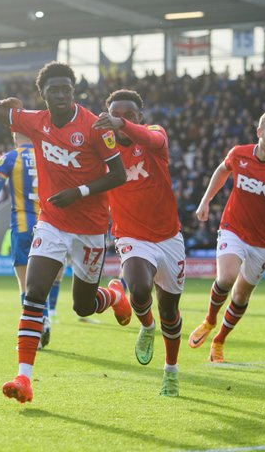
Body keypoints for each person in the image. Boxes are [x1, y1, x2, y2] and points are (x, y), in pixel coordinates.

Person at [0, 54, 130, 404]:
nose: (61, 95)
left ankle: (115, 295)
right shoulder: (35, 121)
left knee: (83, 305)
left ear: (73, 91)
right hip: (51, 222)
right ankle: (24, 378)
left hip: (90, 228)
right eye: (54, 90)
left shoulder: (96, 127)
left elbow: (118, 175)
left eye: (67, 89)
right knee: (33, 294)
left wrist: (77, 192)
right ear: (43, 93)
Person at [188, 110, 265, 362]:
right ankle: (209, 320)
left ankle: (219, 341)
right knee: (226, 277)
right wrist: (205, 200)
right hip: (233, 228)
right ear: (259, 132)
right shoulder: (239, 153)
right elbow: (221, 170)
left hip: (262, 241)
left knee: (241, 296)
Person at [92, 89, 185, 396]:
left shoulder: (155, 135)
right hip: (131, 236)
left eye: (129, 115)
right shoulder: (102, 150)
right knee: (140, 286)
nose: (122, 119)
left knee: (170, 311)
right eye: (115, 114)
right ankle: (146, 326)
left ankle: (170, 370)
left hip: (169, 238)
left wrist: (120, 124)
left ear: (139, 118)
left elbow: (154, 140)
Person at [0, 129, 63, 348]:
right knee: (44, 282)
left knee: (26, 286)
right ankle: (44, 318)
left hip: (23, 226)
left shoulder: (10, 158)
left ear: (15, 136)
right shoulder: (48, 156)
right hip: (49, 226)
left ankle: (37, 328)